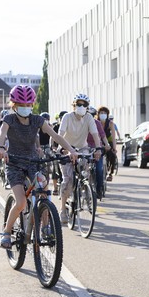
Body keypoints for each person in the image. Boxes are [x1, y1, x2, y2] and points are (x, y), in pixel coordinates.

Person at [0, 85, 77, 249]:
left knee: (44, 193)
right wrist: (1, 148)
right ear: (14, 105)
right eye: (21, 105)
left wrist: (71, 150)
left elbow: (55, 135)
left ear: (32, 105)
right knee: (21, 203)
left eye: (28, 105)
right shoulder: (9, 120)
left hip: (33, 163)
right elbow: (1, 135)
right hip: (14, 164)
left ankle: (45, 226)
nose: (25, 108)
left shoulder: (37, 120)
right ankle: (6, 231)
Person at [58, 94, 103, 222]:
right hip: (66, 148)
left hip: (82, 149)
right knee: (68, 180)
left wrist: (98, 149)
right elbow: (60, 134)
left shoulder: (89, 118)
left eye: (84, 105)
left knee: (85, 172)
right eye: (79, 104)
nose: (81, 107)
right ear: (74, 105)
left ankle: (86, 192)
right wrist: (61, 148)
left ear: (87, 107)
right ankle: (63, 209)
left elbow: (95, 134)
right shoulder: (67, 117)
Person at [87, 106, 111, 199]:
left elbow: (103, 135)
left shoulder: (97, 123)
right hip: (85, 148)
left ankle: (99, 189)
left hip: (97, 148)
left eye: (92, 115)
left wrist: (107, 144)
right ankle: (83, 187)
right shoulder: (82, 123)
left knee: (99, 170)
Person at [98, 106, 117, 181]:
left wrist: (114, 148)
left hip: (108, 141)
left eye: (104, 113)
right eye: (101, 113)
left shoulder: (110, 123)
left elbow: (113, 137)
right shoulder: (96, 122)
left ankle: (110, 173)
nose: (103, 114)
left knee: (112, 155)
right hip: (98, 141)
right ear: (98, 114)